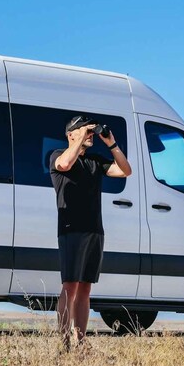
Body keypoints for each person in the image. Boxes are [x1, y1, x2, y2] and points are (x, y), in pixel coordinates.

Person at [50, 115, 132, 351]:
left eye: (90, 132)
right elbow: (64, 165)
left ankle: (81, 338)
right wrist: (80, 137)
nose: (90, 135)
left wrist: (112, 144)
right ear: (70, 135)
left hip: (94, 229)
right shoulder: (57, 155)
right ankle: (64, 340)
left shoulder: (95, 160)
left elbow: (125, 171)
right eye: (84, 131)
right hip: (71, 229)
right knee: (70, 285)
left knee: (85, 287)